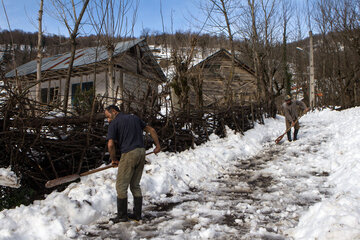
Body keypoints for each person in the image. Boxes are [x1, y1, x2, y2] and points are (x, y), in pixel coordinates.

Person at [105, 105, 161, 223]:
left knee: (121, 186)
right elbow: (151, 130)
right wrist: (157, 145)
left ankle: (122, 216)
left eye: (108, 116)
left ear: (114, 112)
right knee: (135, 185)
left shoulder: (114, 124)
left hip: (129, 154)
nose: (108, 120)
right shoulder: (134, 118)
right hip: (141, 152)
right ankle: (137, 214)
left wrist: (114, 159)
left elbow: (110, 145)